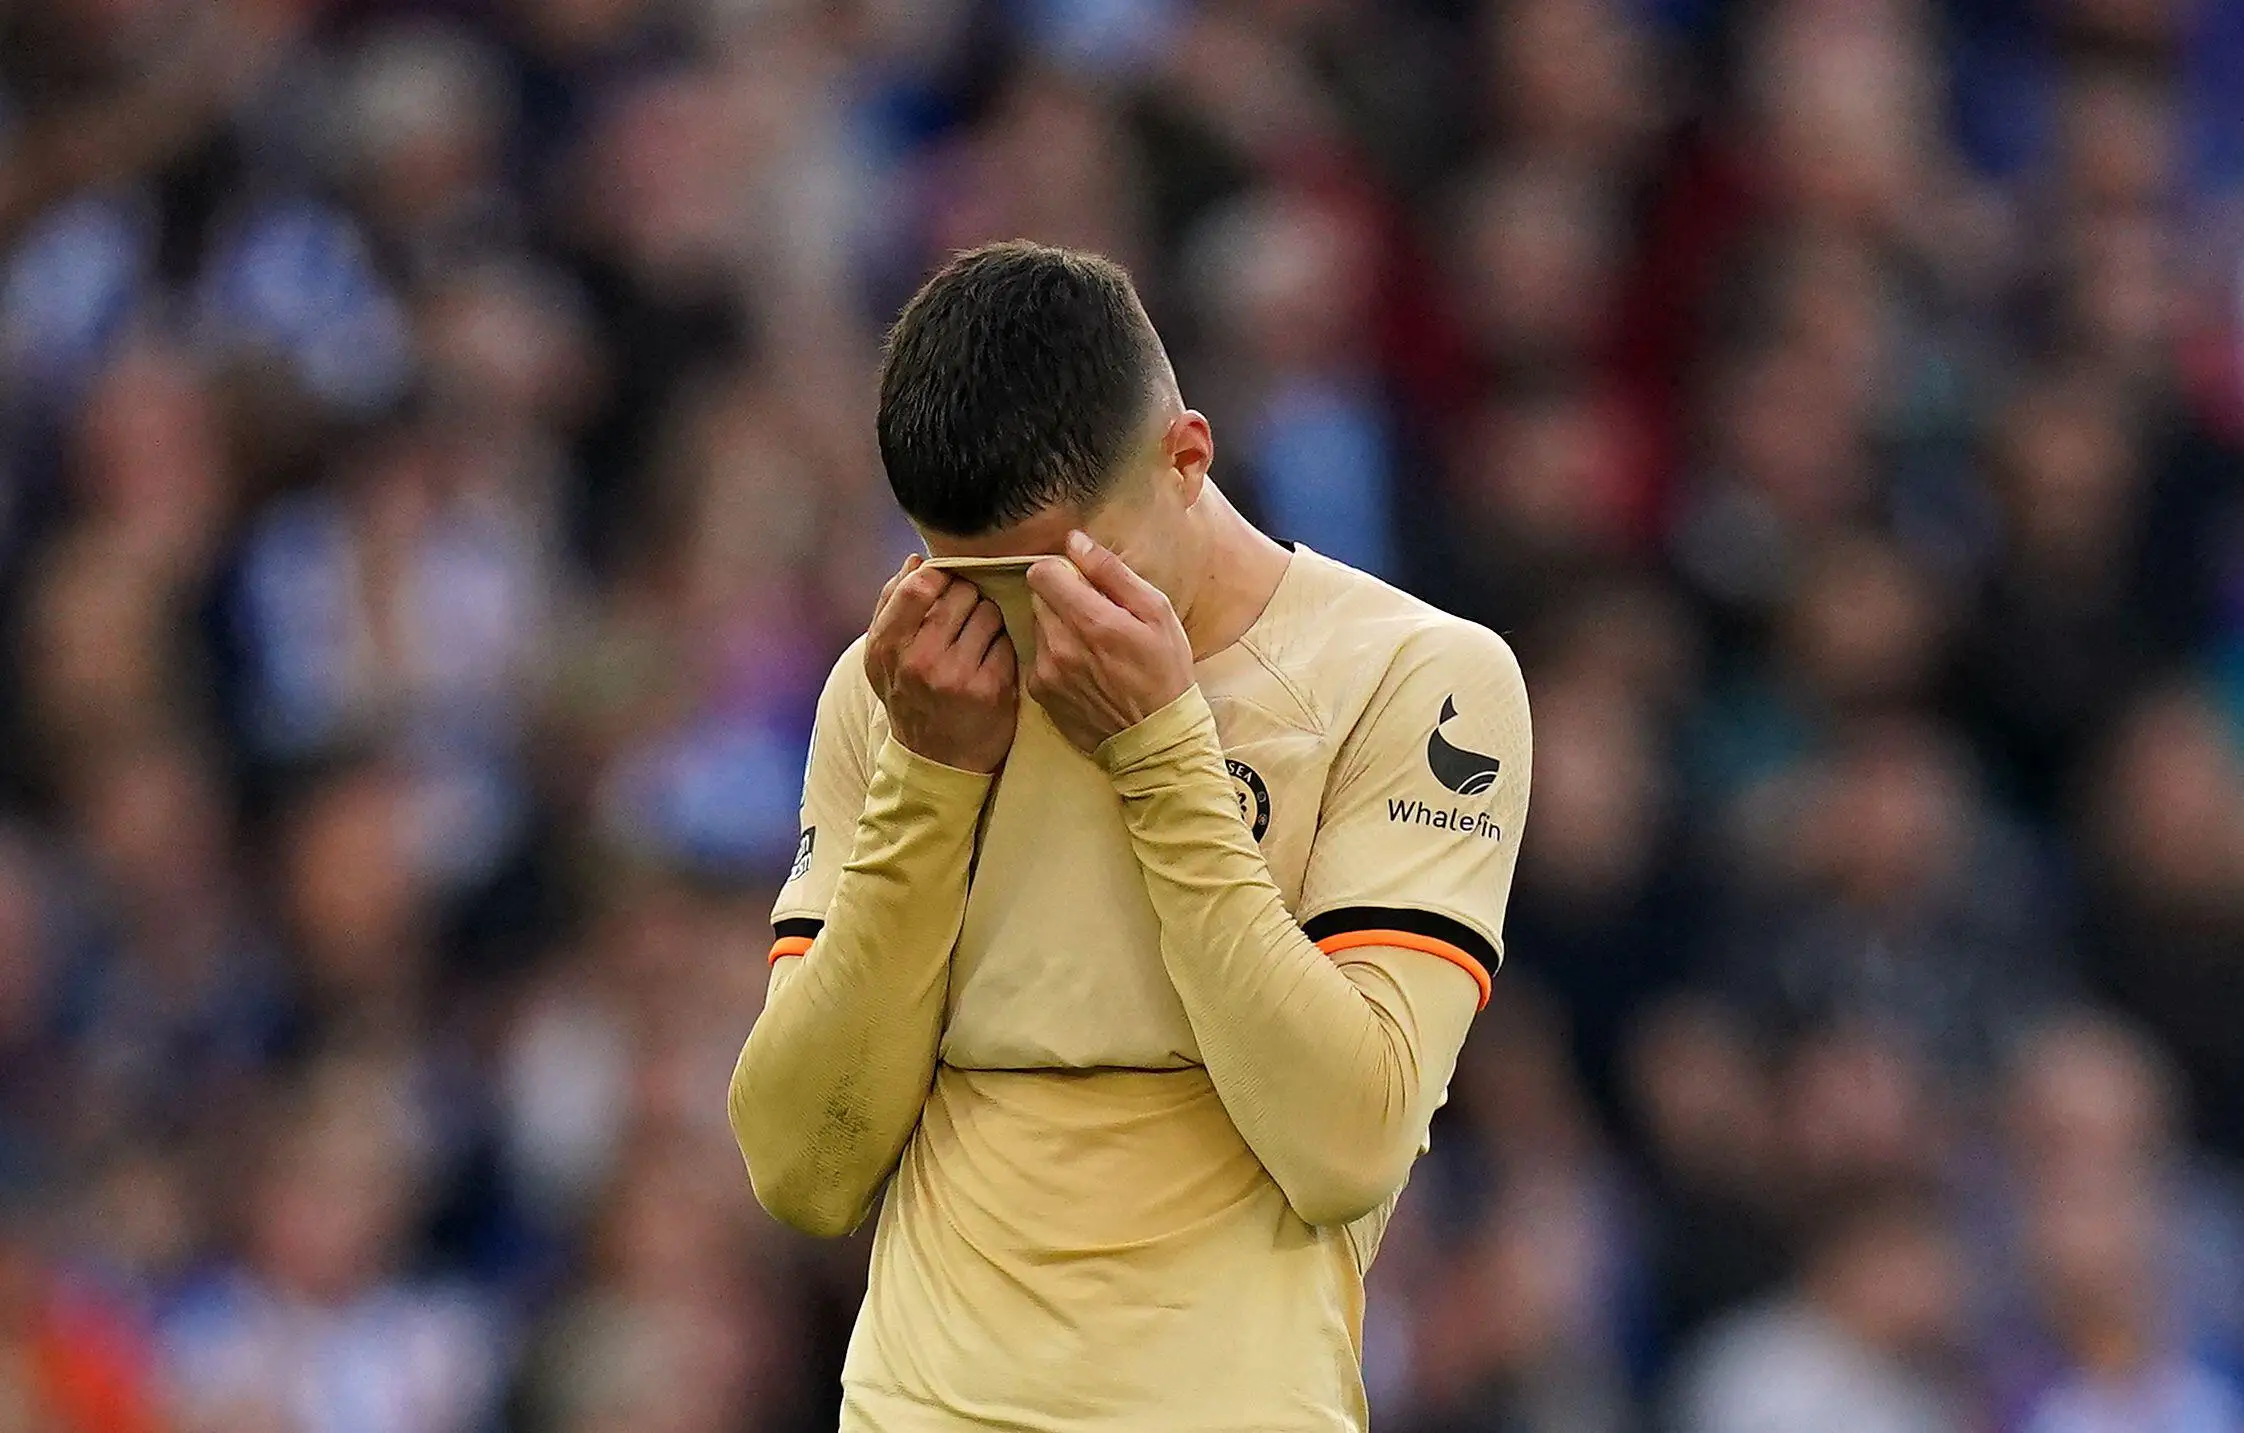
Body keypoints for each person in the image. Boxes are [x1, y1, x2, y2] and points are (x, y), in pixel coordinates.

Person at [727, 241, 1533, 1431]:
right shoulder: (905, 687)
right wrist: (929, 780)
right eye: (972, 577)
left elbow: (1347, 1143)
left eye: (1053, 571)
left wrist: (1159, 750)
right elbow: (803, 1165)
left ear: (1187, 458)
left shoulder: (1416, 679)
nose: (1016, 622)